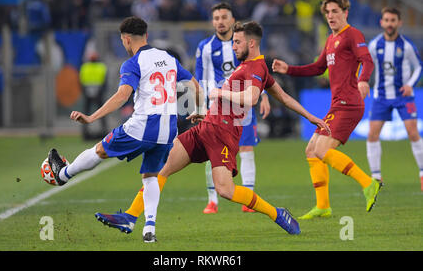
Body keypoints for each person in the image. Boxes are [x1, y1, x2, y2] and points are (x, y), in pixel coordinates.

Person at [96, 21, 331, 242]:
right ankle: (130, 217)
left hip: (223, 134)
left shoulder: (255, 67)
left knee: (225, 190)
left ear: (251, 43)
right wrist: (312, 117)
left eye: (237, 42)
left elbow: (250, 98)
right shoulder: (252, 67)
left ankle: (276, 213)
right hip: (207, 126)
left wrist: (219, 93)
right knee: (162, 166)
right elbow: (285, 97)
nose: (234, 46)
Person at [46, 17, 203, 232]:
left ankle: (62, 175)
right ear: (146, 36)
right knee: (150, 176)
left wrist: (92, 117)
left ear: (127, 39)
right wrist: (199, 111)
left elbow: (122, 96)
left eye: (122, 41)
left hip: (145, 125)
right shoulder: (167, 58)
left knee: (100, 150)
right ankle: (149, 229)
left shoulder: (133, 63)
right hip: (168, 130)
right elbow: (196, 85)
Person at [272, 0, 382, 219]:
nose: (331, 16)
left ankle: (368, 183)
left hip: (349, 104)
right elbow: (317, 67)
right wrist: (289, 69)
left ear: (345, 13)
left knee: (322, 150)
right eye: (328, 12)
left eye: (335, 12)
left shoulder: (352, 34)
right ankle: (323, 206)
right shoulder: (331, 40)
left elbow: (367, 60)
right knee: (311, 150)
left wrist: (363, 80)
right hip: (336, 105)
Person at [196, 2, 271, 214]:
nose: (220, 21)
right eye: (216, 18)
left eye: (224, 17)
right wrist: (201, 107)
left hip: (243, 106)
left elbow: (257, 71)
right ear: (213, 22)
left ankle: (249, 199)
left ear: (232, 20)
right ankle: (212, 200)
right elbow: (201, 79)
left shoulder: (244, 44)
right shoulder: (205, 47)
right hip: (217, 108)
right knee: (213, 153)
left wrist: (263, 95)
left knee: (247, 149)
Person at [366, 7, 423, 190]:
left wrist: (410, 85)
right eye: (387, 20)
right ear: (381, 22)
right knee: (372, 135)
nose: (390, 24)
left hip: (403, 97)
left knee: (413, 133)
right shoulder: (374, 45)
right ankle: (376, 177)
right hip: (381, 96)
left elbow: (419, 67)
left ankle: (422, 172)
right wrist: (363, 82)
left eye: (393, 20)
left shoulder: (406, 46)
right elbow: (366, 66)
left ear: (399, 23)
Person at [79, 52, 108, 140]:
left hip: (88, 92)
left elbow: (81, 80)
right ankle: (103, 131)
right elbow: (105, 81)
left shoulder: (85, 67)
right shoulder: (101, 66)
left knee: (86, 114)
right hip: (98, 92)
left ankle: (85, 133)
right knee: (102, 113)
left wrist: (85, 91)